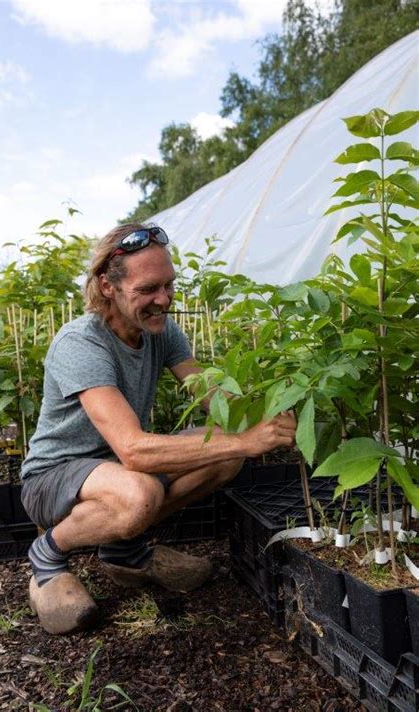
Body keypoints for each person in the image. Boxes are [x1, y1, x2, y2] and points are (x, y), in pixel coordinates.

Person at [20, 222, 297, 635]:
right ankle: (47, 554)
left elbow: (215, 402)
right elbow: (134, 450)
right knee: (140, 492)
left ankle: (123, 551)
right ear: (108, 286)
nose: (163, 299)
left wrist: (273, 411)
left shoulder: (161, 332)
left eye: (168, 285)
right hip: (54, 477)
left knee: (225, 455)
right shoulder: (81, 343)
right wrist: (246, 439)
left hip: (113, 468)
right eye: (148, 289)